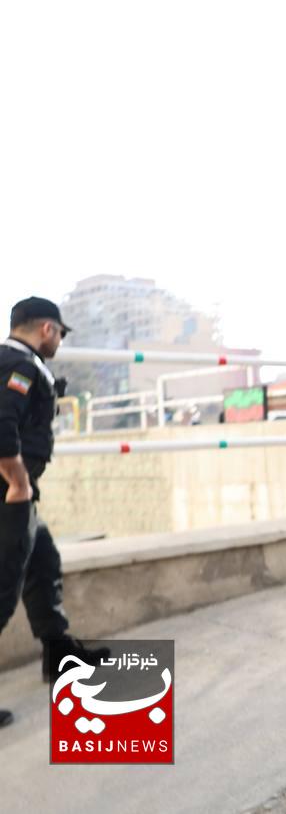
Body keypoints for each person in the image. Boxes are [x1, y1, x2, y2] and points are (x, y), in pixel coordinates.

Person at [0, 297, 106, 729]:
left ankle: (60, 656)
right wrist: (19, 483)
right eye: (60, 333)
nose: (60, 341)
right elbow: (1, 424)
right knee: (1, 592)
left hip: (15, 495)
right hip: (8, 496)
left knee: (43, 563)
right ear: (47, 329)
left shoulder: (12, 361)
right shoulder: (19, 367)